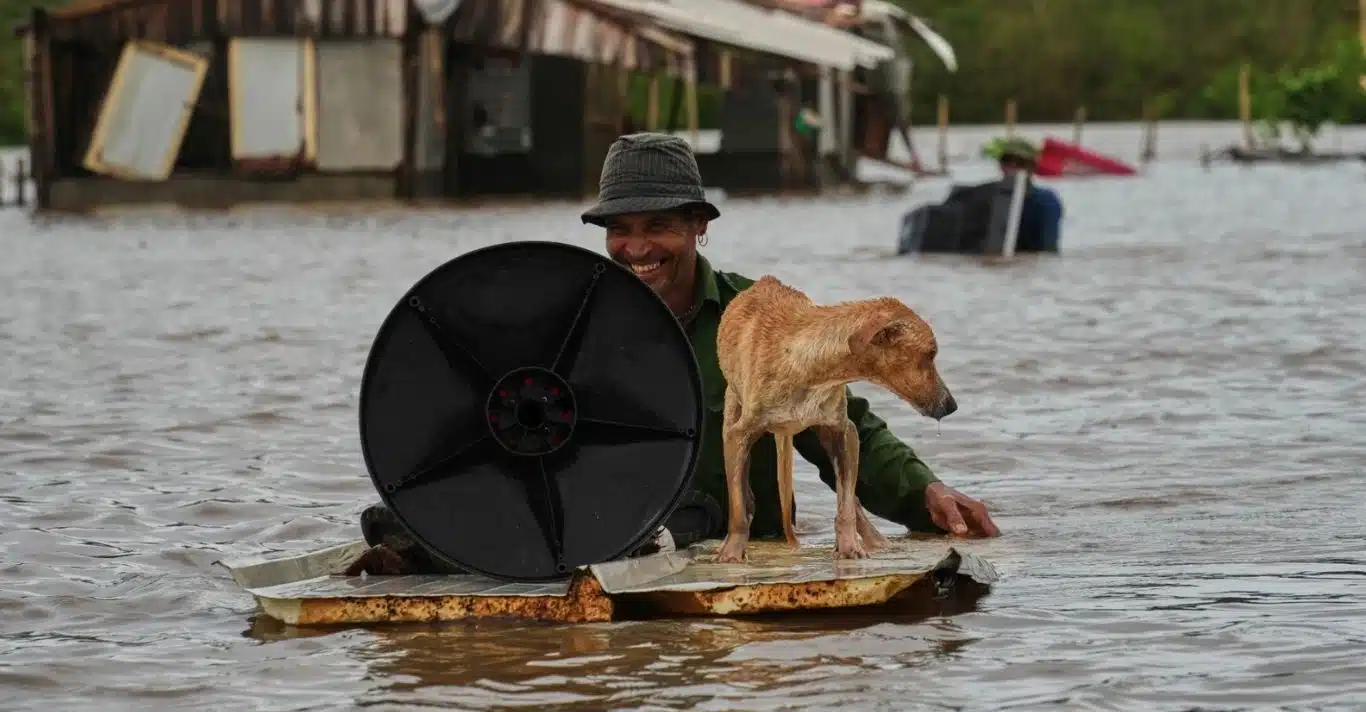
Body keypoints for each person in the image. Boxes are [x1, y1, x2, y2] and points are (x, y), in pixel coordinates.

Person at [358, 133, 999, 571]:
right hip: (610, 527)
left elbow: (845, 423)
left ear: (699, 225)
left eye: (659, 227)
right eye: (621, 231)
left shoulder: (762, 321)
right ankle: (413, 546)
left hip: (723, 540)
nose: (638, 250)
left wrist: (926, 493)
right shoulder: (567, 325)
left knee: (695, 515)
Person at [994, 138, 1064, 253]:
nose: (1012, 167)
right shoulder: (988, 197)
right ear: (1000, 165)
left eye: (1020, 163)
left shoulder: (1045, 201)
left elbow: (1048, 249)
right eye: (1007, 161)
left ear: (1032, 167)